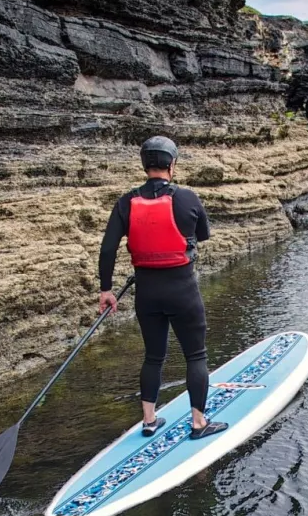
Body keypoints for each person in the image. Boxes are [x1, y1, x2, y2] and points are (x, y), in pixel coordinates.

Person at [97, 136, 228, 440]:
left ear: (144, 165)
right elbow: (202, 234)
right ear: (172, 165)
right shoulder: (187, 198)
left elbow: (107, 250)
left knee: (153, 356)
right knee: (195, 355)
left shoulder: (125, 202)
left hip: (147, 293)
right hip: (182, 290)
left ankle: (149, 421)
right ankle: (198, 424)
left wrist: (106, 290)